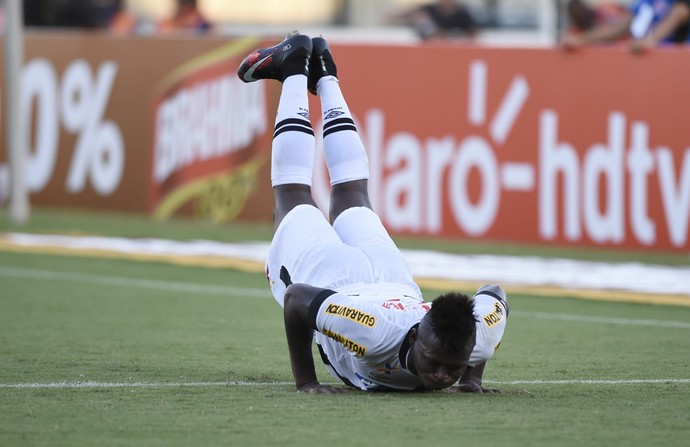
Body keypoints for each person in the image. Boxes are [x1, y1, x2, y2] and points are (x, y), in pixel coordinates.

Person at [237, 32, 508, 394]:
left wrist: (472, 378)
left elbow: (494, 294)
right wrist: (306, 382)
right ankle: (294, 70)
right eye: (435, 361)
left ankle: (325, 73)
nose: (442, 375)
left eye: (454, 368)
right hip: (340, 282)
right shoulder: (371, 333)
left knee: (352, 191)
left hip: (391, 278)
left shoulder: (478, 338)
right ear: (416, 337)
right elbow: (296, 298)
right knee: (293, 193)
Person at [561, 0, 690, 53]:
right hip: (640, 62)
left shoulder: (678, 4)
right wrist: (581, 39)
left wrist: (650, 41)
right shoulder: (645, 3)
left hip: (670, 65)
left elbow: (679, 14)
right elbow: (619, 27)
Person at [394, 0, 478, 41]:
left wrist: (453, 36)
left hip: (454, 49)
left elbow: (473, 32)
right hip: (431, 47)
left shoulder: (462, 13)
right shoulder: (429, 10)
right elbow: (412, 13)